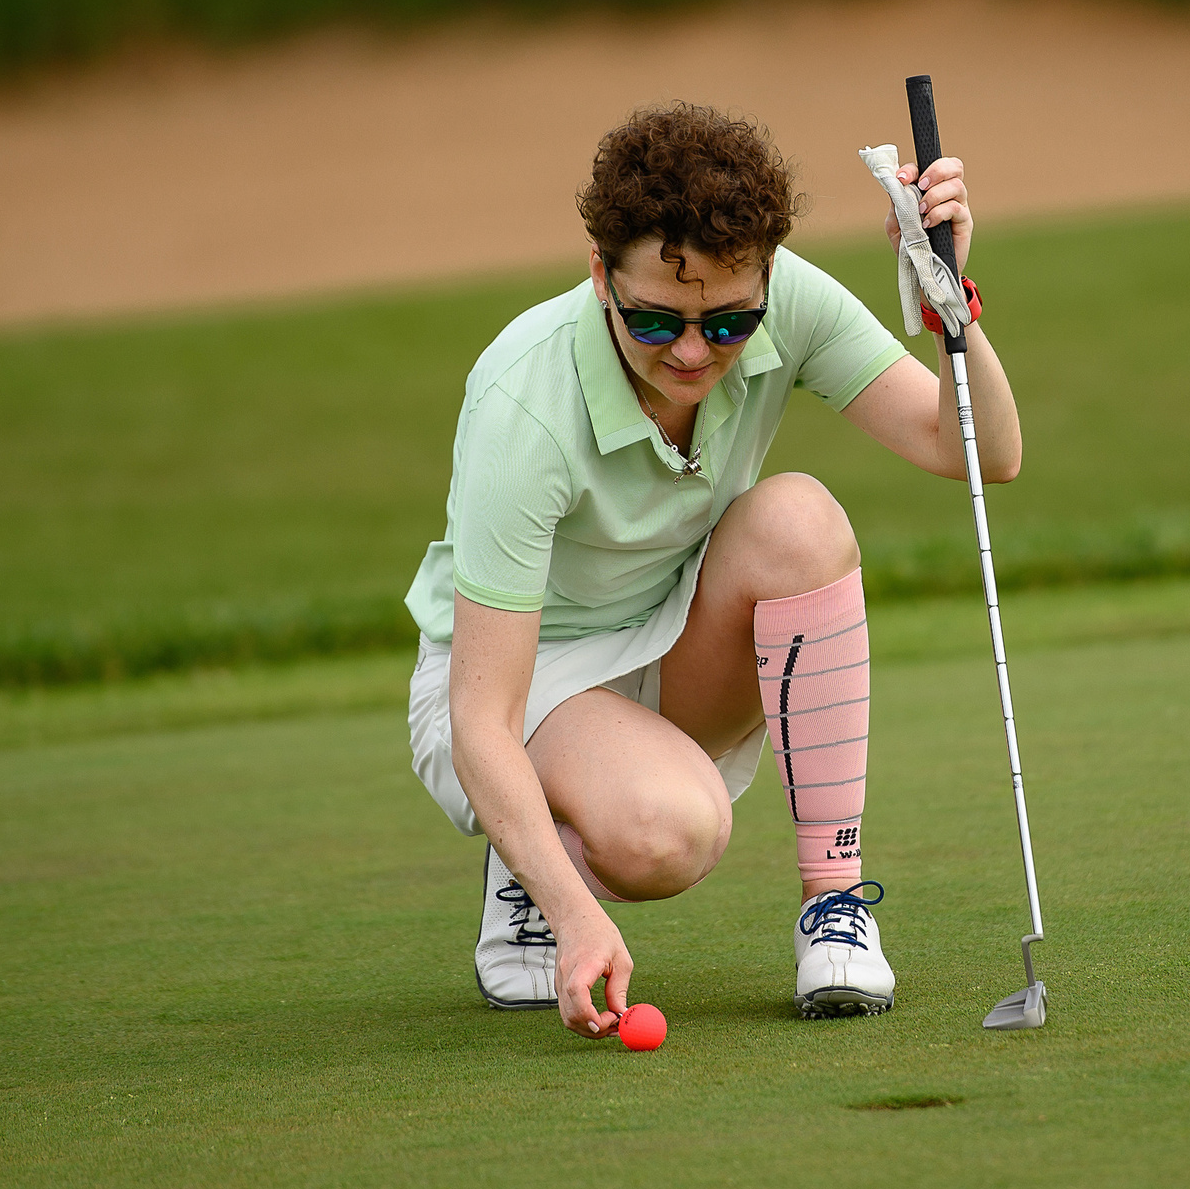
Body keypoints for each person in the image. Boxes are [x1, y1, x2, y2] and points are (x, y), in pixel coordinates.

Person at [404, 102, 1023, 1037]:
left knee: (800, 519)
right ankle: (536, 873)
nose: (694, 352)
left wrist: (950, 299)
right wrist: (579, 915)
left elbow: (979, 450)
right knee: (671, 833)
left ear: (765, 277)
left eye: (729, 324)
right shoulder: (520, 401)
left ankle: (836, 908)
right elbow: (477, 716)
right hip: (516, 686)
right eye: (656, 320)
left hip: (670, 633)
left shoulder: (789, 302)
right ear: (600, 276)